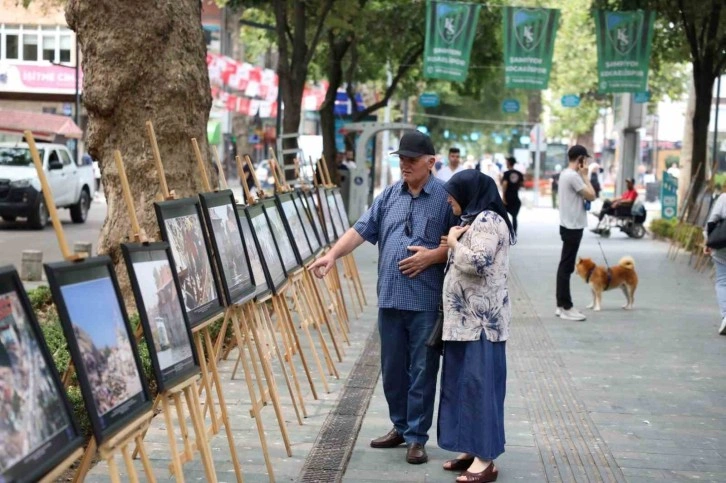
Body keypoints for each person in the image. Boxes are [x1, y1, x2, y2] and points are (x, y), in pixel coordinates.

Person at [309, 130, 455, 464]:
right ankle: (400, 427)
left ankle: (417, 437)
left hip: (425, 303)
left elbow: (460, 244)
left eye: (411, 159)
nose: (404, 165)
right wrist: (332, 256)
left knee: (421, 371)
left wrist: (434, 256)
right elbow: (360, 230)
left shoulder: (445, 198)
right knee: (392, 370)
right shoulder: (389, 195)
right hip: (389, 299)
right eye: (401, 159)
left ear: (430, 162)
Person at [437, 170, 515, 483]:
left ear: (469, 192)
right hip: (465, 323)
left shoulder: (487, 219)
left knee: (480, 388)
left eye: (453, 193)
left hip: (480, 324)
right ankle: (470, 448)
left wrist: (454, 243)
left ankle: (485, 461)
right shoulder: (476, 217)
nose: (448, 199)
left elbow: (478, 262)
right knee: (463, 386)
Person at [555, 145, 596, 321]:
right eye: (585, 159)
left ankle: (560, 305)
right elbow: (592, 195)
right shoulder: (573, 177)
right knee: (566, 267)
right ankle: (566, 306)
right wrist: (586, 176)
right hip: (573, 226)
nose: (586, 163)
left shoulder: (566, 174)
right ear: (580, 159)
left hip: (568, 225)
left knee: (565, 265)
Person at [703, 192, 726, 335]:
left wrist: (708, 241)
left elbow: (711, 221)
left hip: (723, 245)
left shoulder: (724, 198)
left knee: (723, 281)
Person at [501, 157, 523, 234]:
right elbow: (521, 184)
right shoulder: (519, 174)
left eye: (506, 162)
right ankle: (514, 232)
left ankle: (505, 232)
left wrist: (503, 197)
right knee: (514, 217)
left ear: (509, 163)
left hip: (507, 198)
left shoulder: (506, 173)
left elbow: (505, 184)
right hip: (515, 197)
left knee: (503, 216)